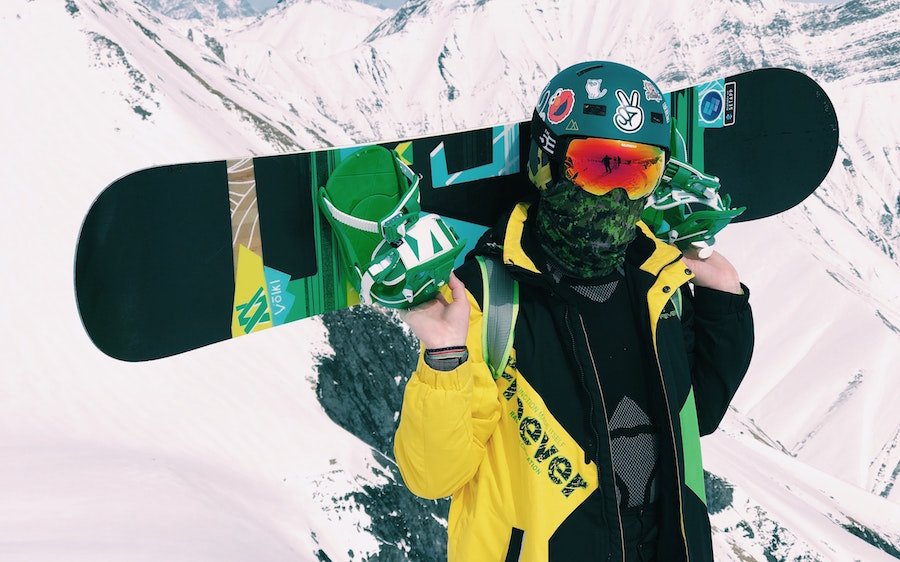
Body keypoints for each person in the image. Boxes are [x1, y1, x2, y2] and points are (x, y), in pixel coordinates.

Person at [393, 61, 754, 562]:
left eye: (637, 169)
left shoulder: (658, 283)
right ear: (547, 164)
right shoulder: (487, 293)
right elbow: (432, 475)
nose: (618, 194)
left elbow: (699, 415)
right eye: (597, 166)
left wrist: (719, 288)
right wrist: (445, 356)